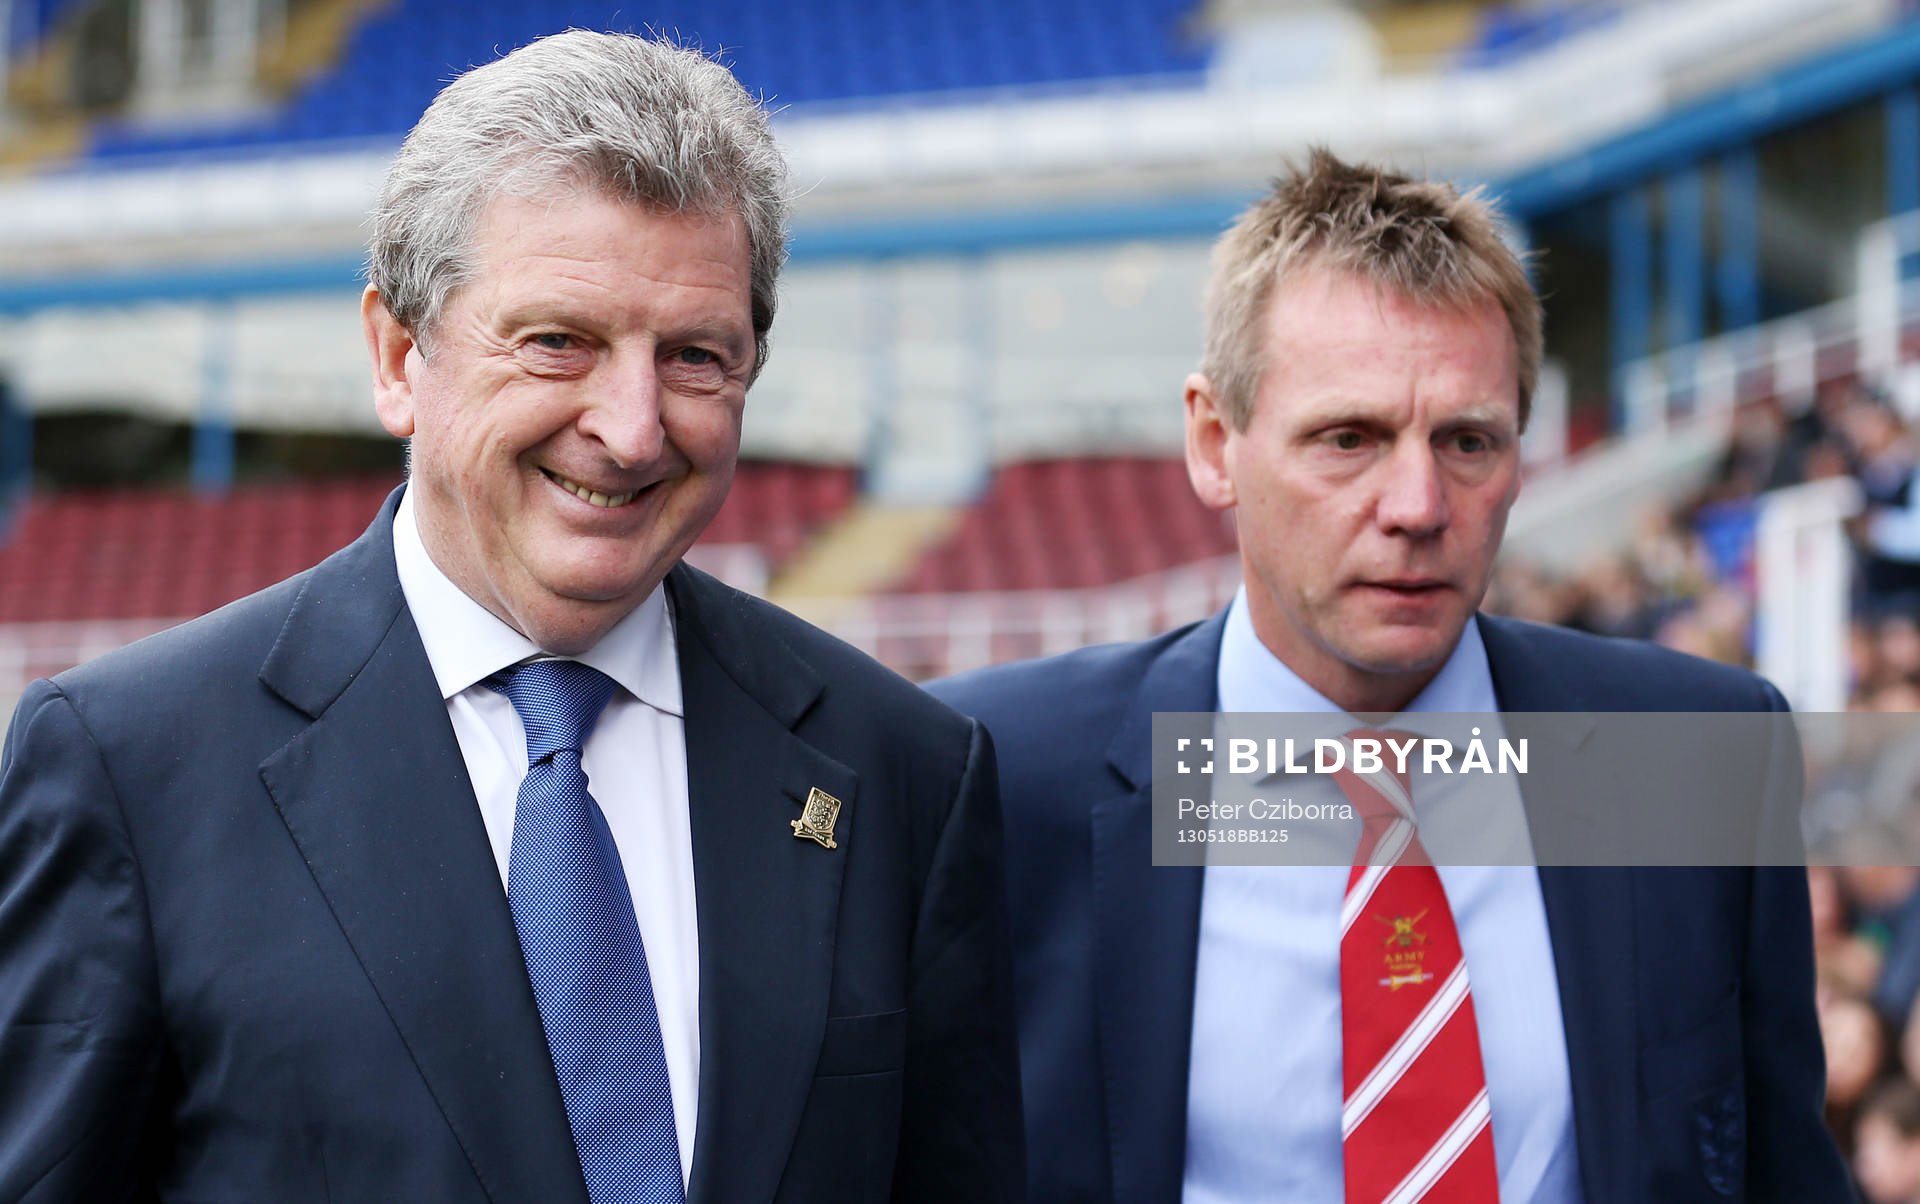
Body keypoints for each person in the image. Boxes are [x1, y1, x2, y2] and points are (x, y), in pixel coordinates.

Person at [0, 31, 1021, 1204]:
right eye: (557, 343)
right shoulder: (133, 767)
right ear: (399, 357)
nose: (631, 429)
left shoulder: (903, 770)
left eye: (695, 356)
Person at [931, 150, 1848, 1202]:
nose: (1417, 505)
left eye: (1467, 441)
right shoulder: (993, 779)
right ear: (1215, 442)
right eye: (1349, 438)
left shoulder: (1692, 753)